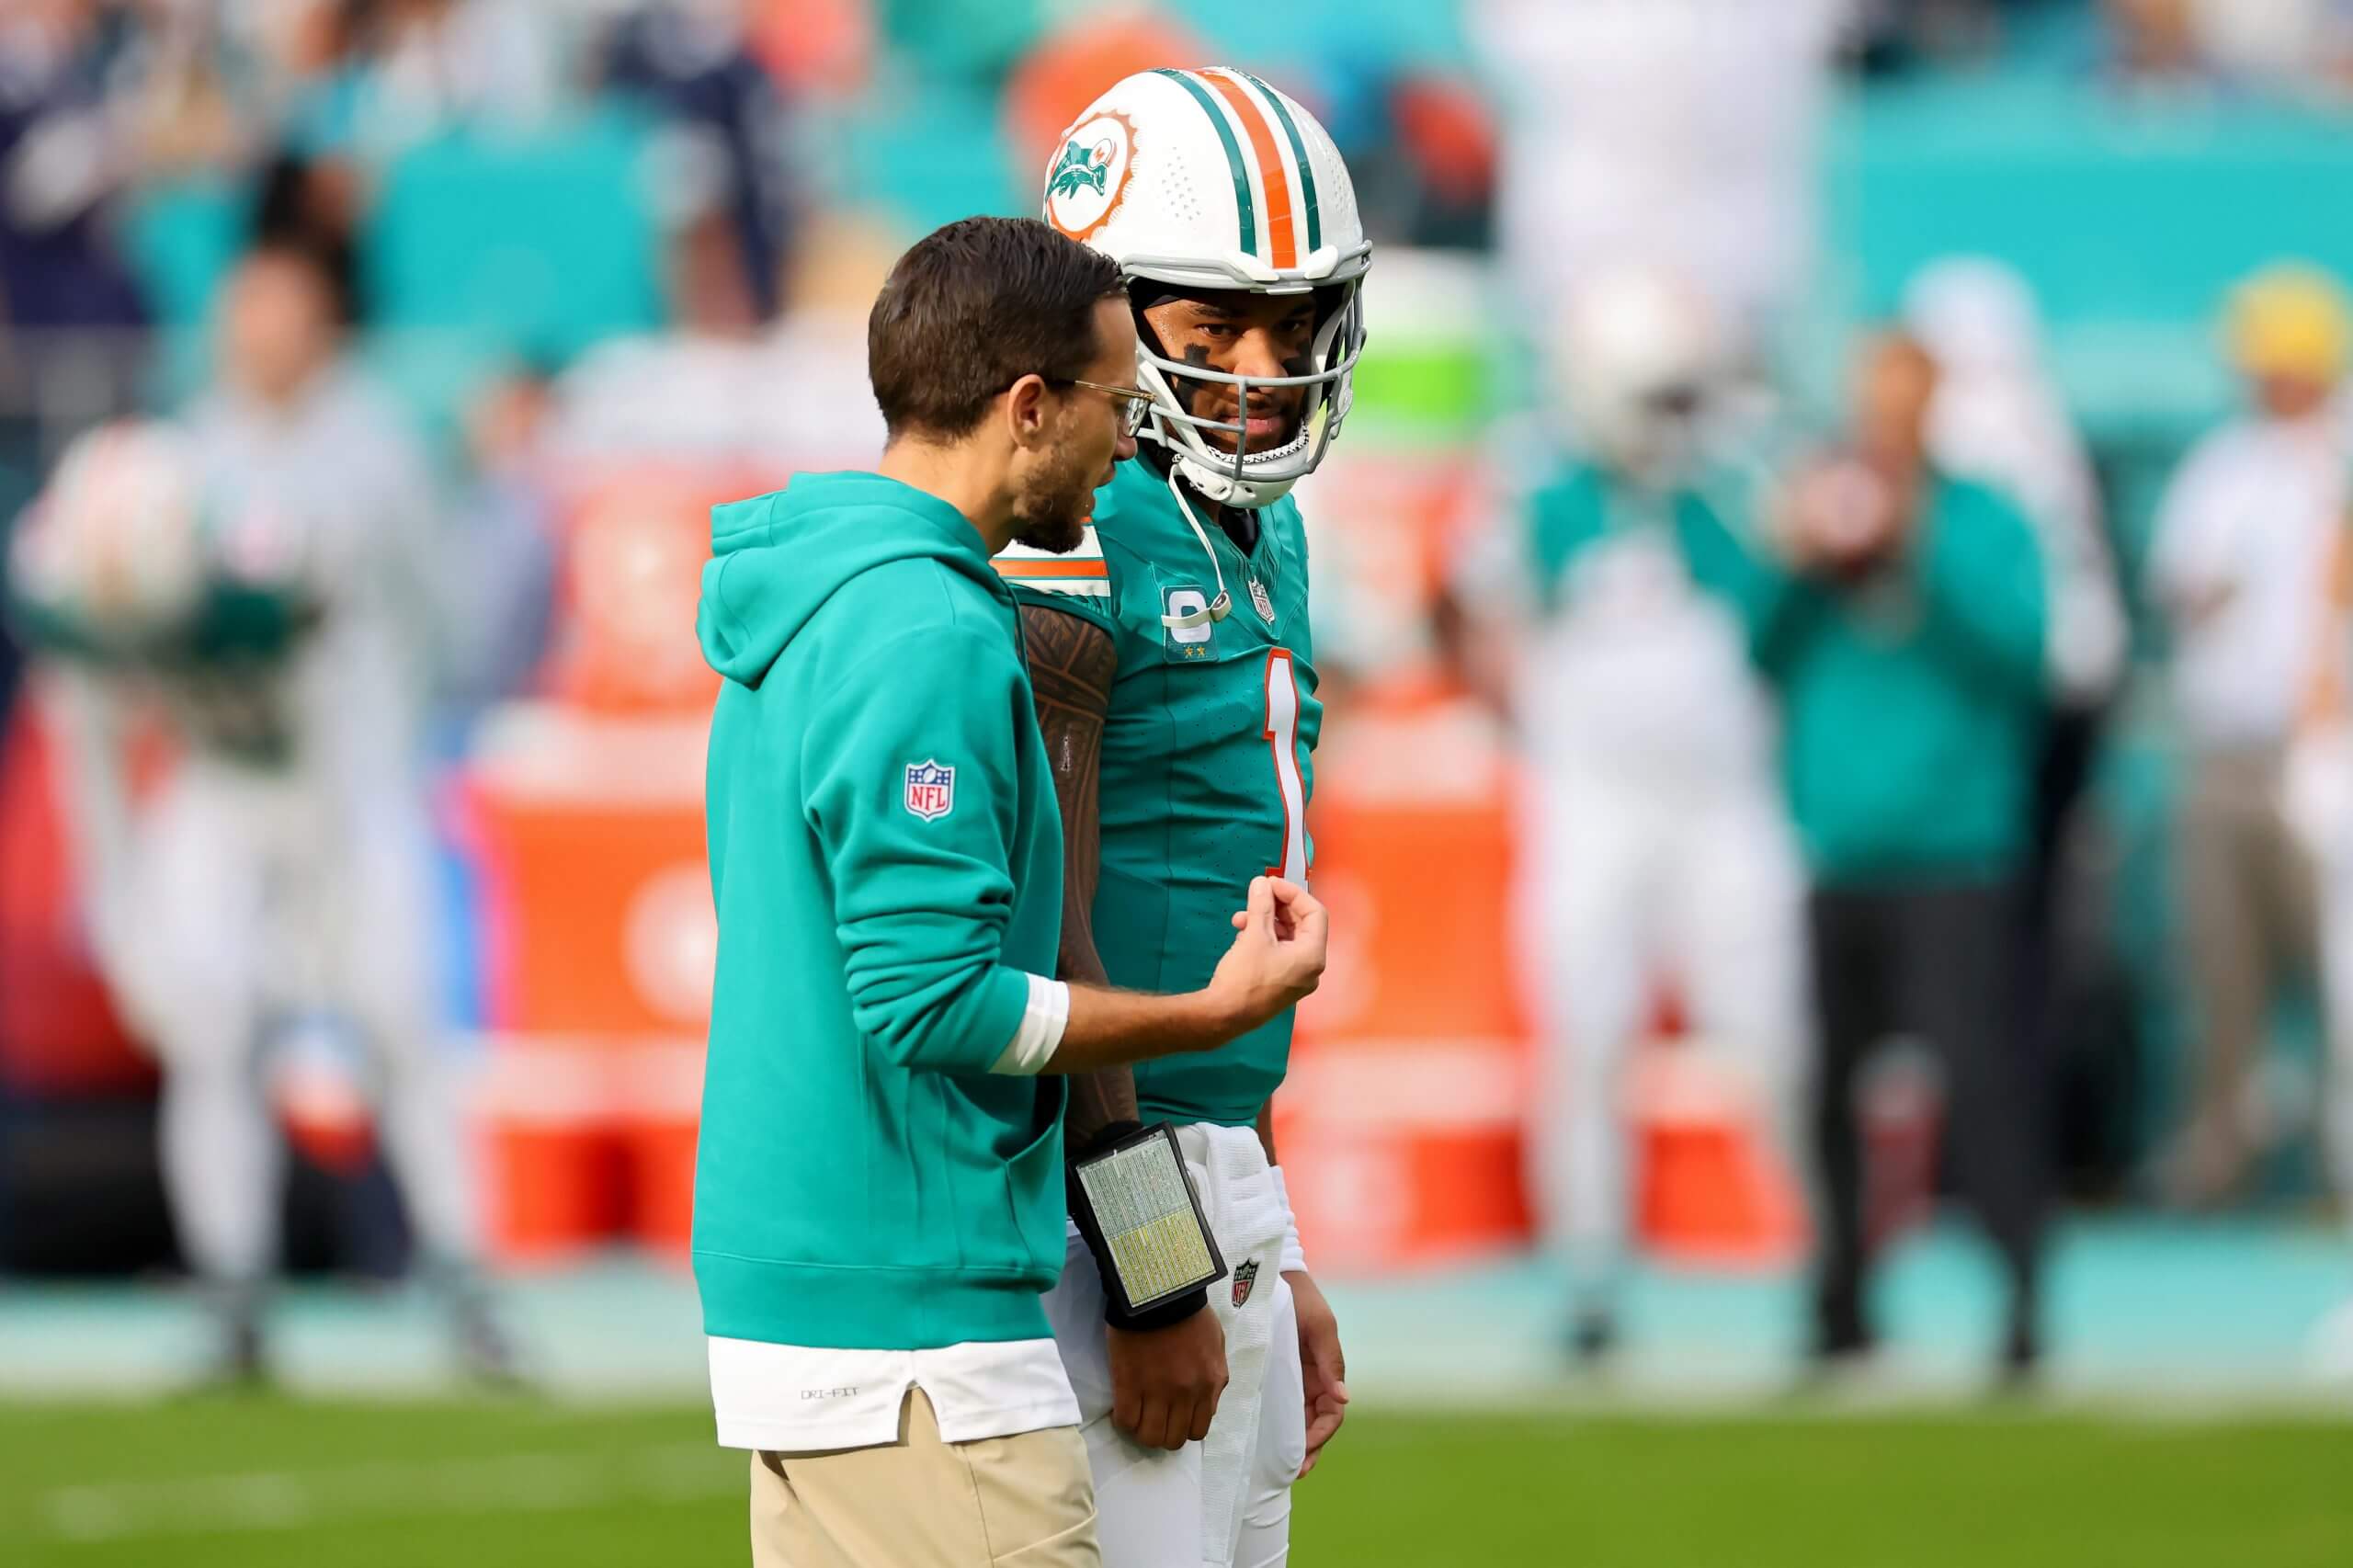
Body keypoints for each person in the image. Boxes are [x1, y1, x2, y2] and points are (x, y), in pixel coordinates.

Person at [692, 214, 1331, 1568]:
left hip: (849, 1293)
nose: (1129, 439)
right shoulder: (924, 624)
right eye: (1116, 400)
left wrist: (1261, 1229)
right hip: (922, 1311)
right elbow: (931, 996)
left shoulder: (834, 598)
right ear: (1029, 405)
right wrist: (1198, 1044)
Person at [998, 66, 1367, 1568]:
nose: (1258, 370)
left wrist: (1265, 1233)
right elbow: (1059, 927)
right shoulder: (1075, 524)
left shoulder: (1260, 527)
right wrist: (1155, 1270)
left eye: (1291, 324)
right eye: (1210, 330)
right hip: (1111, 1186)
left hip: (1210, 1161)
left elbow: (1226, 911)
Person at [11, 402, 507, 1384]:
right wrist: (123, 911)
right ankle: (231, 1289)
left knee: (398, 1019)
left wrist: (331, 896)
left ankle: (465, 1279)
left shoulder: (272, 554)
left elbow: (336, 715)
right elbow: (93, 753)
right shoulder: (67, 574)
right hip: (216, 790)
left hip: (338, 781)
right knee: (211, 1031)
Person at [1447, 264, 1810, 1365]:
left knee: (1776, 1037)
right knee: (1584, 1041)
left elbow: (1788, 599)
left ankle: (1826, 1271)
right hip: (1592, 805)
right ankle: (1592, 1277)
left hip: (1720, 806)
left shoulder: (1738, 476)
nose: (1677, 419)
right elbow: (1480, 621)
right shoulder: (1532, 486)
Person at [1752, 332, 2052, 1379]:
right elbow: (1756, 646)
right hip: (1841, 850)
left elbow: (2023, 653)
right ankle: (1839, 1306)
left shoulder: (1984, 516)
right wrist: (1795, 560)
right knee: (1831, 1087)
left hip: (1953, 849)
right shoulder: (1821, 510)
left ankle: (2019, 1299)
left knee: (1979, 1080)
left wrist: (1919, 539)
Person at [2150, 263, 2350, 1209]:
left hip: (2325, 747)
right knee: (2221, 971)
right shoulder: (2221, 465)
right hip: (2226, 749)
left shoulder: (2339, 459)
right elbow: (2180, 585)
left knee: (2338, 965)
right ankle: (2220, 1168)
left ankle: (2337, 1171)